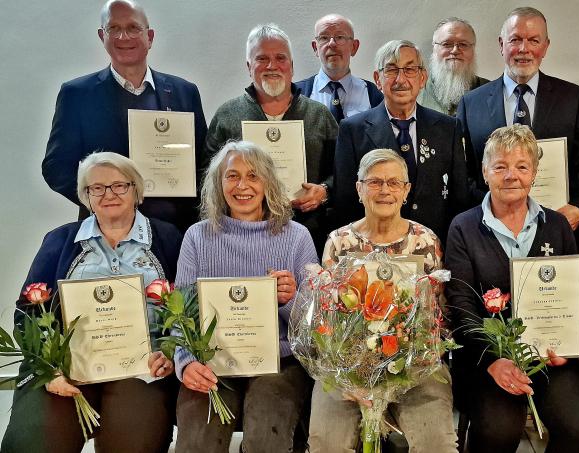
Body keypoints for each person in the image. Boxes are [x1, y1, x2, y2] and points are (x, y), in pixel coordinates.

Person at [2, 152, 182, 453]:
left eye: (119, 185)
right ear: (86, 196)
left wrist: (169, 352)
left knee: (134, 444)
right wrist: (48, 369)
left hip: (142, 369)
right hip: (66, 368)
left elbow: (188, 304)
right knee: (32, 443)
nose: (108, 194)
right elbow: (28, 311)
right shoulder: (59, 240)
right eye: (97, 187)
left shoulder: (168, 237)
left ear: (136, 190)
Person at [445, 125, 579, 453]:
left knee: (576, 424)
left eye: (522, 166)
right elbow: (460, 304)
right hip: (485, 359)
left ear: (535, 173)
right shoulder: (463, 227)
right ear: (485, 172)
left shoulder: (557, 225)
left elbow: (574, 296)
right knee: (498, 430)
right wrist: (494, 360)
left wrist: (565, 346)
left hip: (549, 358)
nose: (511, 175)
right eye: (500, 166)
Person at [172, 140, 318, 452]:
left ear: (268, 182)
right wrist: (185, 362)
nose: (242, 186)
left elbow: (315, 327)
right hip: (211, 362)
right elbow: (180, 316)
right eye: (232, 176)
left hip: (279, 363)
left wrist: (290, 299)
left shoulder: (297, 237)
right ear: (218, 183)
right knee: (198, 442)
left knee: (266, 438)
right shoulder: (196, 237)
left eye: (253, 176)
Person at [309, 149, 456, 452]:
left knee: (437, 444)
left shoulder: (426, 241)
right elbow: (326, 319)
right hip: (347, 368)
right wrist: (350, 373)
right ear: (359, 189)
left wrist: (411, 365)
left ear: (406, 190)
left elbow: (437, 318)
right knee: (326, 442)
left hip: (417, 367)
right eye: (374, 182)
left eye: (394, 183)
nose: (385, 190)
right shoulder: (339, 242)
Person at [42, 0, 207, 231]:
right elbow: (56, 167)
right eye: (114, 28)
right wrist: (101, 199)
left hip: (176, 229)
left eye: (133, 28)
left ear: (150, 37)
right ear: (102, 36)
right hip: (107, 231)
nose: (123, 37)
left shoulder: (185, 92)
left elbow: (203, 164)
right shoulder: (77, 94)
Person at [456, 7, 579, 230]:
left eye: (534, 40)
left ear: (546, 46)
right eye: (515, 40)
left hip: (555, 224)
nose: (524, 49)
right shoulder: (471, 103)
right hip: (490, 227)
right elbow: (464, 171)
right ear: (501, 44)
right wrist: (491, 209)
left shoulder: (572, 97)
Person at [205, 23, 338, 252]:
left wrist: (324, 191)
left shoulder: (319, 115)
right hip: (238, 238)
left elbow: (342, 171)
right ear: (249, 66)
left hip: (308, 233)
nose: (272, 65)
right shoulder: (227, 115)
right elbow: (207, 175)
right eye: (262, 59)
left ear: (292, 66)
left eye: (280, 58)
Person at [333, 40, 469, 243]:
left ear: (422, 78)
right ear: (378, 79)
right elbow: (345, 201)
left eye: (410, 69)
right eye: (391, 70)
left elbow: (460, 199)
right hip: (373, 249)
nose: (401, 79)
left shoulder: (448, 128)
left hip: (434, 246)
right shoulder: (352, 130)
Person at [296, 14, 384, 122]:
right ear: (315, 48)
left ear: (354, 47)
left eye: (340, 37)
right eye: (324, 38)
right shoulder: (295, 94)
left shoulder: (373, 94)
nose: (332, 44)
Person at [418, 17, 489, 116]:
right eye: (447, 44)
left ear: (473, 49)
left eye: (463, 44)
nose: (455, 50)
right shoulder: (415, 91)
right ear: (434, 48)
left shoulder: (491, 91)